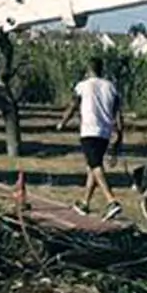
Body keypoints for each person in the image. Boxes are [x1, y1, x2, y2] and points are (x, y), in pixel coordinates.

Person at [57, 56, 124, 219]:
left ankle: (111, 201)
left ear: (88, 70)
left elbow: (73, 105)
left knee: (95, 166)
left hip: (89, 130)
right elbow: (118, 113)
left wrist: (62, 122)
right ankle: (85, 202)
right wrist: (120, 134)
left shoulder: (82, 86)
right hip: (105, 131)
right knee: (92, 167)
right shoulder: (111, 87)